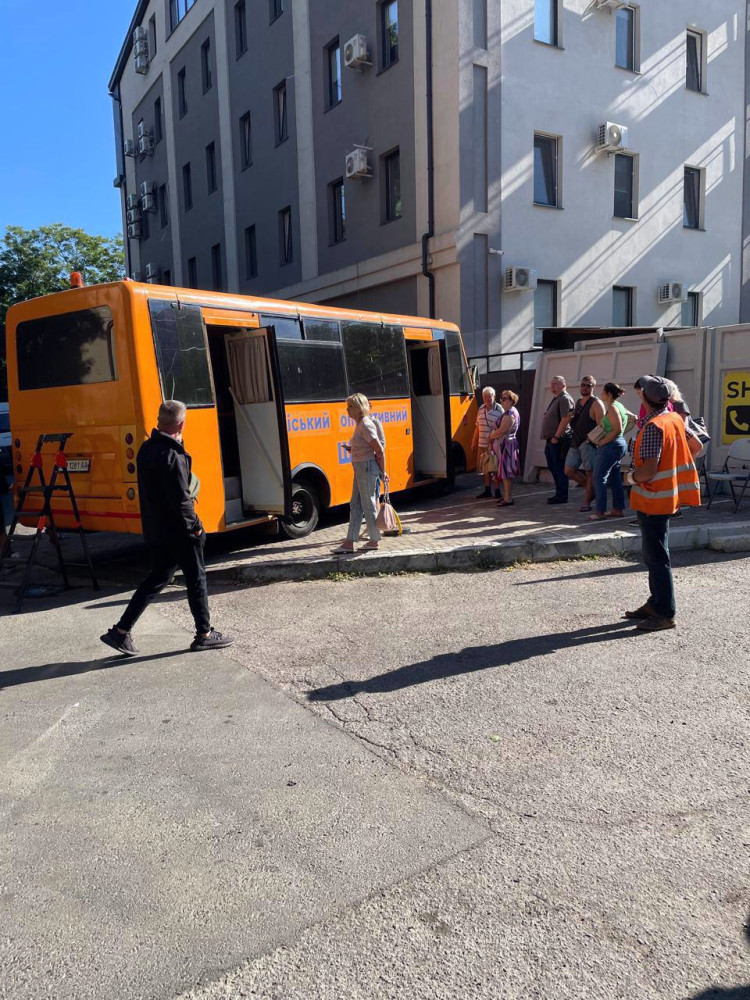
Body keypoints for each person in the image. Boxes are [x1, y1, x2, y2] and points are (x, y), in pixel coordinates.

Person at [100, 400, 234, 656]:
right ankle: (204, 634)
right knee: (196, 578)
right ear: (181, 425)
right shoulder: (172, 455)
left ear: (159, 421)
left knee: (157, 578)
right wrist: (195, 527)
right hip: (179, 531)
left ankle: (120, 631)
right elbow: (181, 500)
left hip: (157, 528)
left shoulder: (146, 449)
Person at [622, 375, 701, 632]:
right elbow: (696, 445)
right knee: (655, 554)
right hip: (666, 497)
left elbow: (648, 471)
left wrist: (629, 478)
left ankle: (665, 613)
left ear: (644, 397)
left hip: (653, 498)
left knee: (656, 557)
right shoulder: (674, 418)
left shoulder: (653, 426)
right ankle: (655, 603)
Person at [334, 393, 386, 554]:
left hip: (366, 467)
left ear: (359, 408)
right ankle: (349, 542)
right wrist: (354, 449)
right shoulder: (360, 424)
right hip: (361, 467)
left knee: (367, 503)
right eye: (347, 406)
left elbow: (379, 449)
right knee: (355, 504)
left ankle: (374, 540)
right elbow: (367, 446)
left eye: (350, 406)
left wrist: (383, 472)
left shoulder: (365, 424)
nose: (347, 410)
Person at [588, 382, 628, 521]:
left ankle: (600, 511)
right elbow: (630, 419)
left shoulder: (613, 408)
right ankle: (617, 509)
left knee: (599, 477)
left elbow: (617, 429)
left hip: (610, 446)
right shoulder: (619, 406)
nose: (601, 394)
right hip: (618, 444)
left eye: (603, 392)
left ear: (609, 394)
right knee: (615, 477)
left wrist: (603, 441)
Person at [564, 375, 599, 512]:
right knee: (569, 470)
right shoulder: (578, 402)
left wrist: (591, 439)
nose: (584, 388)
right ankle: (592, 491)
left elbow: (602, 425)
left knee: (590, 472)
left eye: (588, 386)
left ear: (593, 387)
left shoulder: (596, 403)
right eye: (583, 385)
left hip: (588, 443)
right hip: (576, 441)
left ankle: (586, 502)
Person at [541, 375, 575, 504]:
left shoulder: (565, 398)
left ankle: (562, 495)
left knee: (559, 467)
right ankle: (558, 493)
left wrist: (556, 436)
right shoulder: (557, 398)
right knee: (553, 467)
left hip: (559, 440)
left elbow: (566, 419)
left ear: (563, 385)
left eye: (556, 383)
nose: (552, 385)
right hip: (551, 439)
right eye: (552, 383)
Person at [489, 390, 521, 506]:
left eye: (505, 399)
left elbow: (502, 430)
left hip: (506, 446)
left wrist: (490, 436)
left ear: (512, 400)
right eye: (501, 399)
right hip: (503, 446)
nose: (502, 401)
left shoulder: (510, 413)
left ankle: (508, 498)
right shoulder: (507, 412)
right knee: (504, 473)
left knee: (506, 473)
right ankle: (506, 496)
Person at [471, 387, 503, 498]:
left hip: (494, 445)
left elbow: (502, 429)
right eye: (485, 397)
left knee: (495, 468)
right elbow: (478, 427)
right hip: (482, 444)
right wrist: (474, 441)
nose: (487, 399)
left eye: (489, 396)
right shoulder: (481, 408)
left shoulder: (500, 410)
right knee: (485, 468)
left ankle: (497, 491)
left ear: (494, 396)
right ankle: (487, 490)